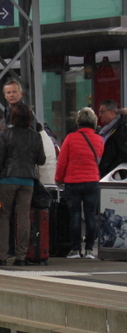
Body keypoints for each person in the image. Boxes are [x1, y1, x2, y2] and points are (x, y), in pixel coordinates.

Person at [0, 102, 46, 266]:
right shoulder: (35, 135)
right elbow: (41, 160)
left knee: (4, 217)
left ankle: (1, 256)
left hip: (8, 179)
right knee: (23, 218)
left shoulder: (7, 133)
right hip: (28, 181)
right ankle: (21, 256)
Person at [56, 107, 104, 259]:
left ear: (78, 122)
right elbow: (99, 156)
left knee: (74, 215)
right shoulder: (99, 139)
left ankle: (76, 250)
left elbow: (62, 162)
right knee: (90, 215)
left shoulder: (70, 138)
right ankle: (90, 249)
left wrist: (58, 179)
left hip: (73, 181)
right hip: (92, 181)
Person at [97, 100, 127, 178]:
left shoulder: (122, 129)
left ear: (112, 112)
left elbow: (123, 153)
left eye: (102, 112)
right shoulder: (106, 131)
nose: (100, 115)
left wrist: (110, 169)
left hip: (114, 175)